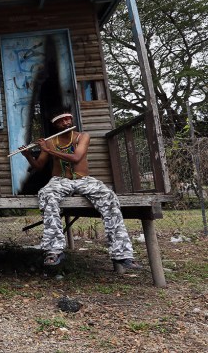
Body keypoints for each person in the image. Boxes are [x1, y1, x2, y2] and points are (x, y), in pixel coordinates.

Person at [20, 111, 141, 269]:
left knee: (109, 197)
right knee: (46, 194)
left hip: (83, 179)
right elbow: (39, 166)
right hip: (60, 180)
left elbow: (76, 158)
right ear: (55, 124)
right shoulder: (49, 142)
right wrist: (28, 155)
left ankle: (122, 254)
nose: (66, 122)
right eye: (62, 120)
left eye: (68, 119)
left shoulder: (82, 137)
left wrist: (49, 151)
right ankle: (54, 251)